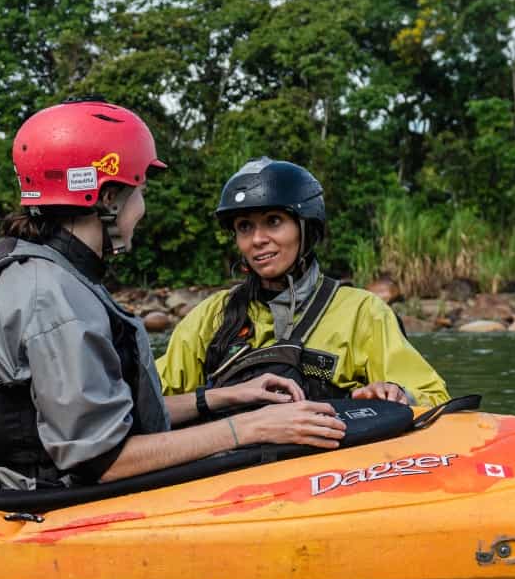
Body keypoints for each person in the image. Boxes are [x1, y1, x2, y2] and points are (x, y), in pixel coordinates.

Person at [0, 101, 347, 491]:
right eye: (139, 191)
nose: (141, 208)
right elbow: (103, 460)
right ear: (107, 199)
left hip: (36, 471)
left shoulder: (32, 264)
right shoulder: (53, 297)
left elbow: (97, 416)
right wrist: (250, 426)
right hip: (47, 493)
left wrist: (223, 397)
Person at [156, 158, 449, 408]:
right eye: (245, 227)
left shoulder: (363, 312)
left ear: (306, 229)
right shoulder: (211, 316)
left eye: (273, 221)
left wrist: (398, 395)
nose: (257, 239)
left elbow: (433, 396)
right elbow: (149, 397)